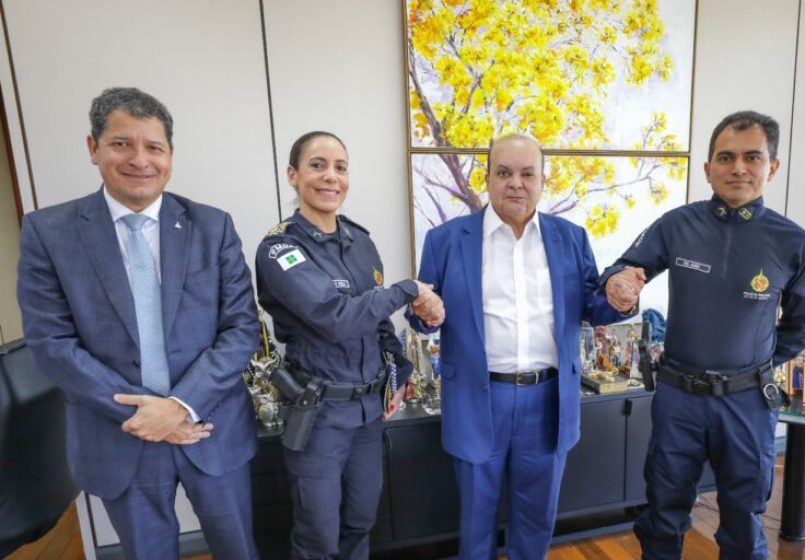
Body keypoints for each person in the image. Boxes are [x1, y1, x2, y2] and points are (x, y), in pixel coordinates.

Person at [16, 88, 261, 558]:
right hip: (117, 438)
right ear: (94, 148)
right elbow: (51, 343)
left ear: (170, 155)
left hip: (209, 427)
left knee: (239, 551)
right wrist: (145, 415)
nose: (140, 160)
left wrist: (179, 406)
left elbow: (241, 328)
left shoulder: (212, 226)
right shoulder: (49, 233)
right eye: (122, 143)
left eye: (154, 147)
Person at [603, 110, 805, 559]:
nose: (738, 168)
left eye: (752, 157)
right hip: (678, 399)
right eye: (725, 157)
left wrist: (757, 361)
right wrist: (618, 283)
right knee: (663, 512)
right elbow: (622, 269)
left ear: (773, 167)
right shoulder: (676, 224)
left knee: (744, 518)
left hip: (747, 402)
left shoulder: (797, 244)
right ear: (708, 169)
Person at [408, 134, 637, 559]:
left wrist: (620, 299)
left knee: (536, 522)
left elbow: (592, 305)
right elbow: (423, 313)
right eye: (504, 172)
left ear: (542, 179)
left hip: (548, 401)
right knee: (475, 522)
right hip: (479, 399)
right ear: (488, 177)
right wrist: (424, 311)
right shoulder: (446, 240)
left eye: (527, 173)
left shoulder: (570, 237)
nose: (516, 183)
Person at [255, 131, 443, 559]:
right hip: (320, 414)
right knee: (318, 533)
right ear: (293, 174)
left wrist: (400, 372)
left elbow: (377, 325)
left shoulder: (361, 242)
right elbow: (334, 317)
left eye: (340, 167)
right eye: (317, 165)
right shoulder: (281, 247)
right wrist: (409, 288)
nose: (331, 177)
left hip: (367, 412)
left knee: (361, 520)